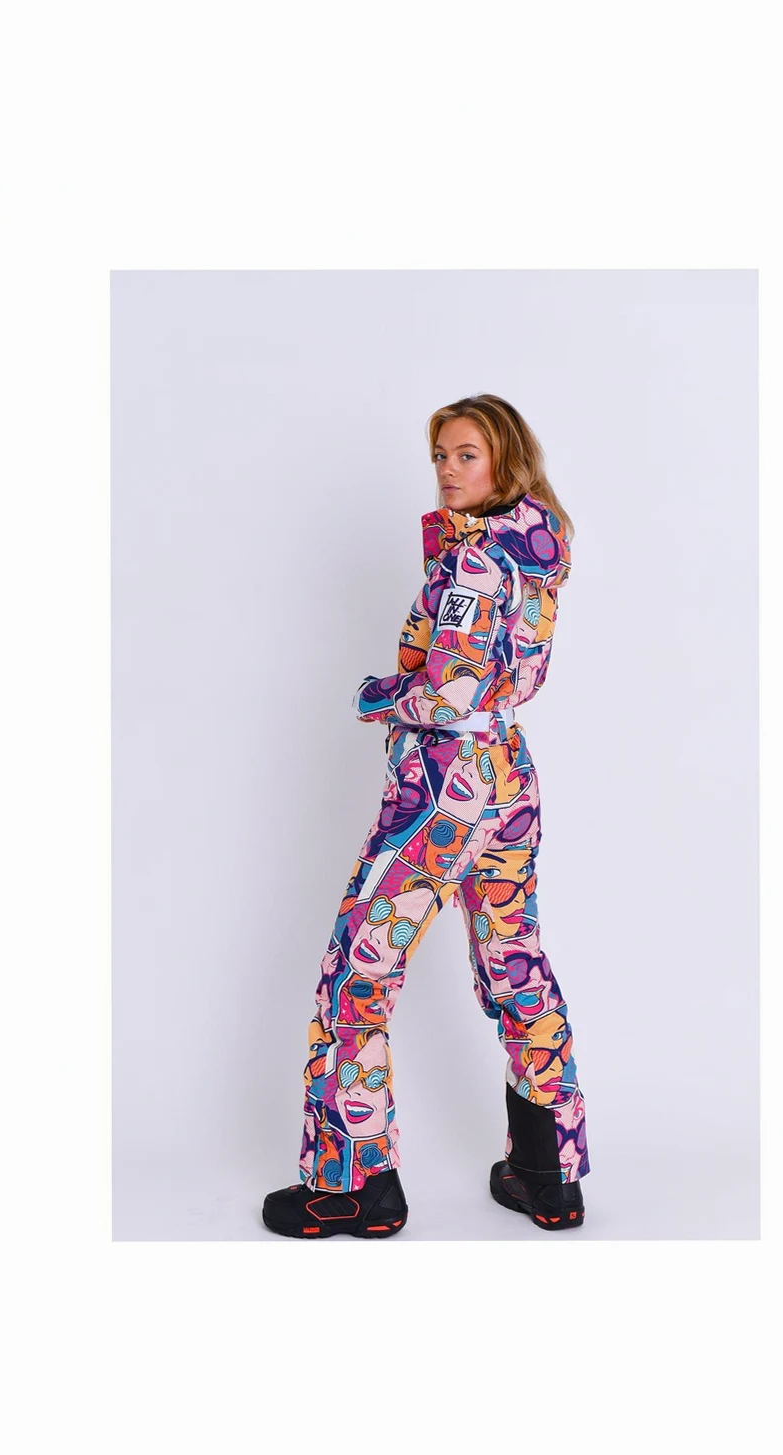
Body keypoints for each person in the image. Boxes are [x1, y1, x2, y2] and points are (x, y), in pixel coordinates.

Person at [261, 394, 589, 1238]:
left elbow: (447, 691)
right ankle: (547, 1174)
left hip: (446, 785)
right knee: (514, 962)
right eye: (440, 454)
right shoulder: (533, 553)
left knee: (357, 972)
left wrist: (378, 696)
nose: (447, 468)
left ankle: (352, 1184)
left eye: (466, 454)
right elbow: (505, 678)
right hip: (508, 774)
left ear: (505, 459)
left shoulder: (474, 561)